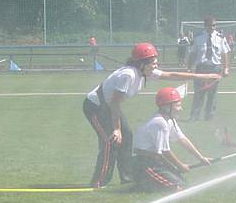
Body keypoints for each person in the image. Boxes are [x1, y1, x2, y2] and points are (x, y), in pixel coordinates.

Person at [83, 42, 220, 189]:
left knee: (127, 136)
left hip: (109, 106)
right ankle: (99, 181)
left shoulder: (145, 72)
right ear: (141, 63)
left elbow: (172, 75)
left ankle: (127, 176)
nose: (156, 65)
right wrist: (116, 129)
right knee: (111, 140)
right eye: (152, 62)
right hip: (96, 106)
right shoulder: (128, 75)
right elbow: (115, 103)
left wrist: (203, 76)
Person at [132, 87, 210, 192]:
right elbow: (164, 152)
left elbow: (182, 139)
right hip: (144, 163)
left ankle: (148, 183)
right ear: (166, 106)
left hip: (156, 161)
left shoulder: (169, 120)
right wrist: (180, 166)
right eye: (177, 106)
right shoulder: (160, 122)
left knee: (182, 183)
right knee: (177, 188)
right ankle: (143, 181)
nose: (180, 109)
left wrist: (201, 158)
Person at [187, 16, 230, 121]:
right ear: (205, 25)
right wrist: (189, 67)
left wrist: (226, 68)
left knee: (212, 94)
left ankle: (209, 116)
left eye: (214, 25)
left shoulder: (220, 37)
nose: (212, 27)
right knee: (199, 93)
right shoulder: (198, 37)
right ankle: (194, 116)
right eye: (210, 25)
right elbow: (192, 53)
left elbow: (224, 54)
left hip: (214, 69)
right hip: (201, 69)